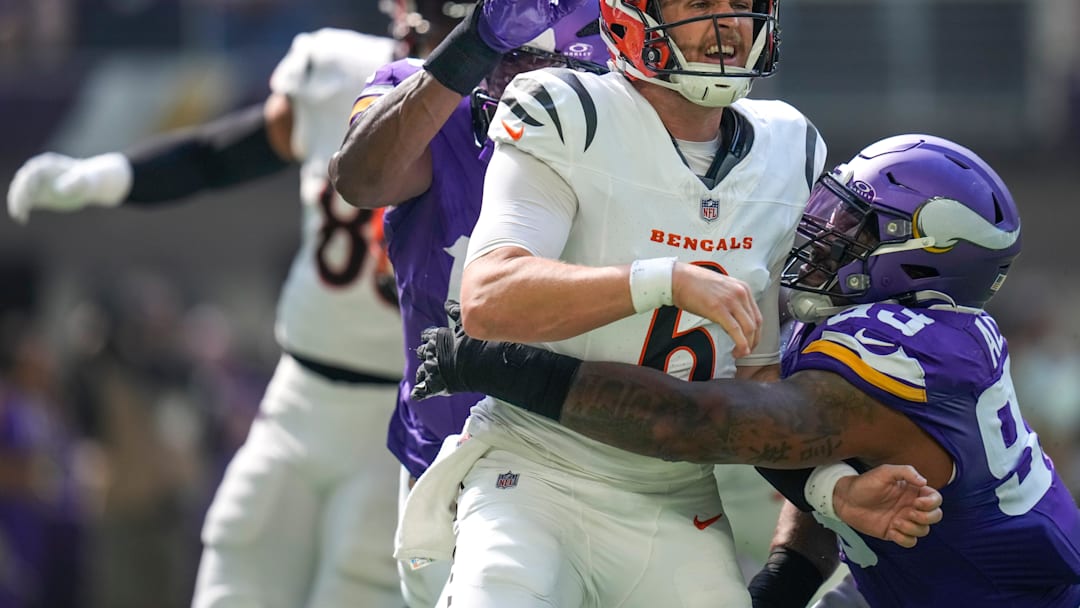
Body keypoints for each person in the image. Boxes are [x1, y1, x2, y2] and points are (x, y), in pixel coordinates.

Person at [413, 134, 1080, 607]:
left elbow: (701, 424)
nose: (825, 230)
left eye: (857, 225)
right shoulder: (894, 334)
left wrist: (504, 366)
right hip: (925, 585)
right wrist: (788, 580)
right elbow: (825, 449)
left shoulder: (904, 355)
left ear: (923, 257)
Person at [386, 0, 844, 604]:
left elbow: (759, 383)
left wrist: (832, 489)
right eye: (700, 3)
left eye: (741, 4)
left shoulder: (789, 145)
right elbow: (489, 297)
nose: (728, 23)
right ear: (631, 15)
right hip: (534, 473)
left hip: (676, 494)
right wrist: (660, 280)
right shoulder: (570, 110)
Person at [5, 25, 431, 608]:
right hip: (300, 399)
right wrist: (110, 177)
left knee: (361, 582)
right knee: (238, 560)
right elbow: (224, 154)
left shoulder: (499, 104)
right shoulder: (340, 70)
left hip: (402, 415)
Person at [329, 0, 610, 604]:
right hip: (447, 468)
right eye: (510, 63)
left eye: (548, 73)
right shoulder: (425, 98)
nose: (523, 93)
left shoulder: (641, 136)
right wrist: (473, 44)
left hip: (596, 469)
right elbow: (360, 178)